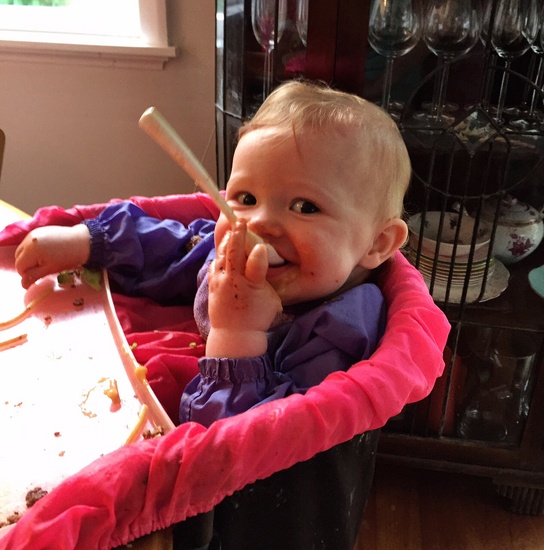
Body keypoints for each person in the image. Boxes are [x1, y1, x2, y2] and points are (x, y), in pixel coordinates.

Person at [13, 80, 410, 430]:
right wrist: (86, 241)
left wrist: (238, 335)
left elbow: (258, 448)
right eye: (246, 198)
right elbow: (172, 249)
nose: (257, 223)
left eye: (305, 207)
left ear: (377, 243)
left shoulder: (338, 333)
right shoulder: (227, 251)